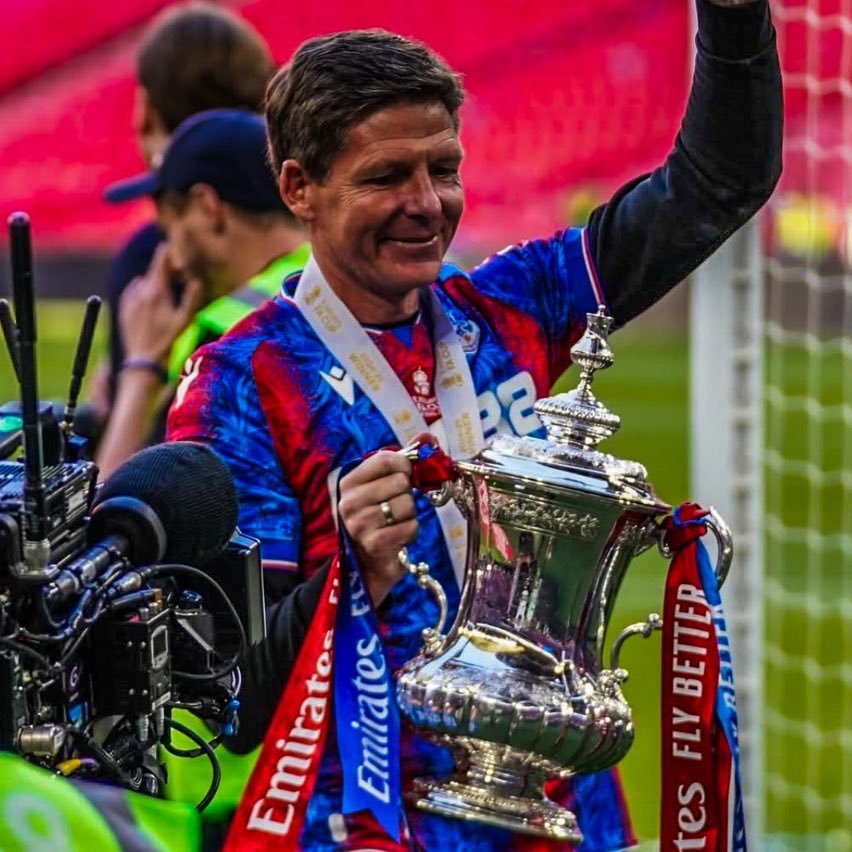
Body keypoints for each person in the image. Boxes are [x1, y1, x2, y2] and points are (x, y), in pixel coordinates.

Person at [168, 1, 782, 849]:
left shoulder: (509, 305)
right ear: (299, 188)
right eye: (387, 177)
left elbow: (718, 183)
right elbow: (223, 695)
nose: (426, 203)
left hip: (562, 806)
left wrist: (735, 18)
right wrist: (352, 573)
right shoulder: (243, 383)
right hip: (374, 823)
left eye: (443, 169)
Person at [86, 2, 275, 457]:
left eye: (166, 208)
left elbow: (122, 499)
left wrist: (139, 370)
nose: (168, 243)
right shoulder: (329, 259)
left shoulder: (159, 266)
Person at [95, 108, 308, 480]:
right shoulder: (334, 283)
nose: (170, 257)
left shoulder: (226, 337)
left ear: (207, 208)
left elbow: (113, 517)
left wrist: (141, 371)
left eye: (170, 226)